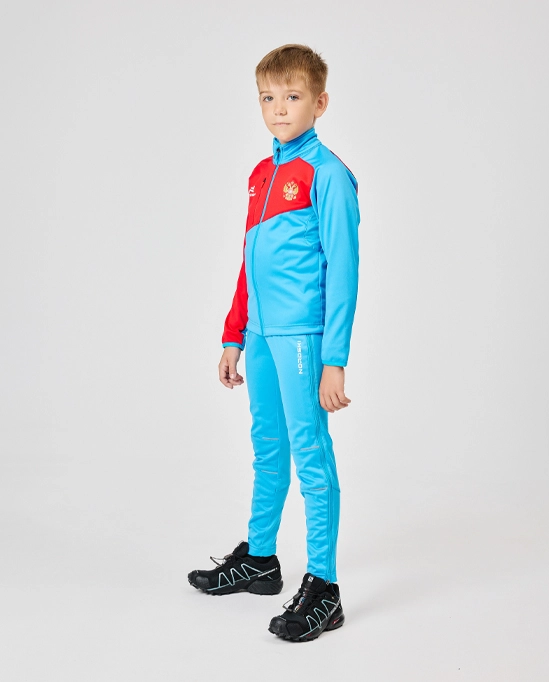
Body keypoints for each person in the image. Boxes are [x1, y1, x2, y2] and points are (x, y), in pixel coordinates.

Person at [188, 43, 360, 643]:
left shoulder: (328, 175)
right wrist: (233, 334)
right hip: (260, 336)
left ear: (320, 102)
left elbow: (343, 271)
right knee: (268, 447)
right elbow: (249, 260)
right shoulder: (262, 175)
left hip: (302, 338)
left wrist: (334, 359)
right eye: (268, 97)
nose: (279, 109)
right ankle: (261, 559)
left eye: (292, 96)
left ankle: (325, 588)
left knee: (310, 452)